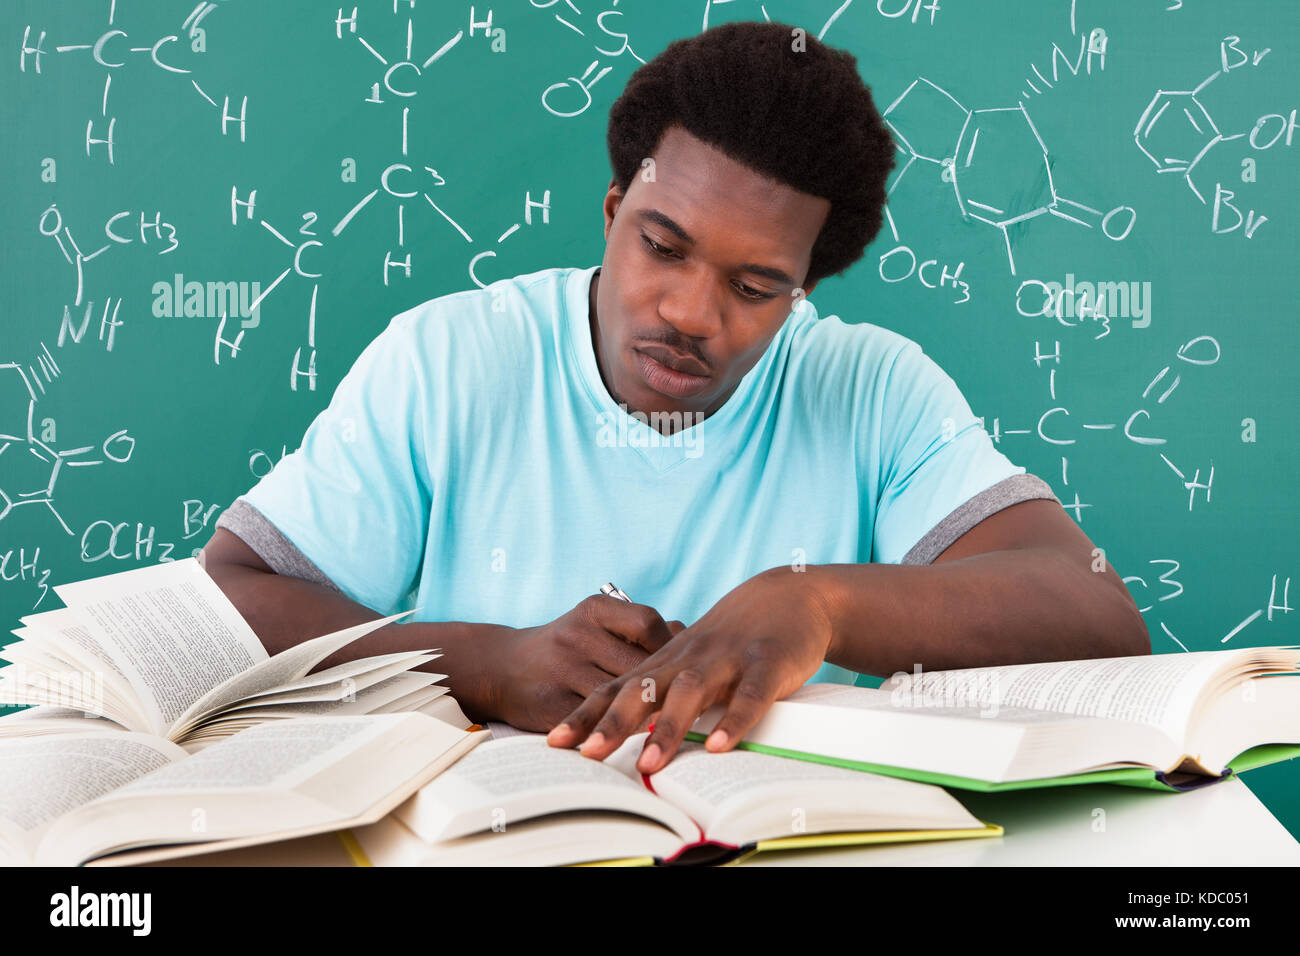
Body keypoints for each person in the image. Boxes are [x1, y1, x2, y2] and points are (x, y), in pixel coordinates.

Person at [201, 21, 1149, 777]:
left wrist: (817, 603)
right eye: (663, 246)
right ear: (615, 212)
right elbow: (230, 596)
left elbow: (1097, 614)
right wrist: (487, 663)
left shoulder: (871, 388)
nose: (691, 314)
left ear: (803, 287)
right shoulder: (450, 357)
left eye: (753, 287)